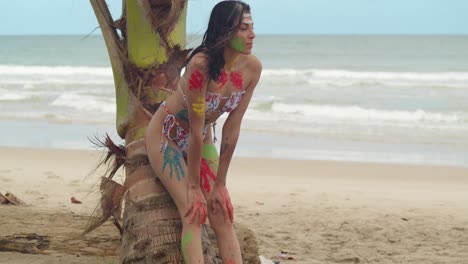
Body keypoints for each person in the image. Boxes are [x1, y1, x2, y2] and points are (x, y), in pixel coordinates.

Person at [145, 1, 261, 263]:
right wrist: (195, 186)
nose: (252, 34)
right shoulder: (201, 65)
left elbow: (232, 127)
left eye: (253, 27)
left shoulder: (252, 68)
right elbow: (195, 129)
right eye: (244, 28)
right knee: (193, 210)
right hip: (168, 135)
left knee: (222, 212)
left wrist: (220, 184)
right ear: (225, 31)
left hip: (204, 135)